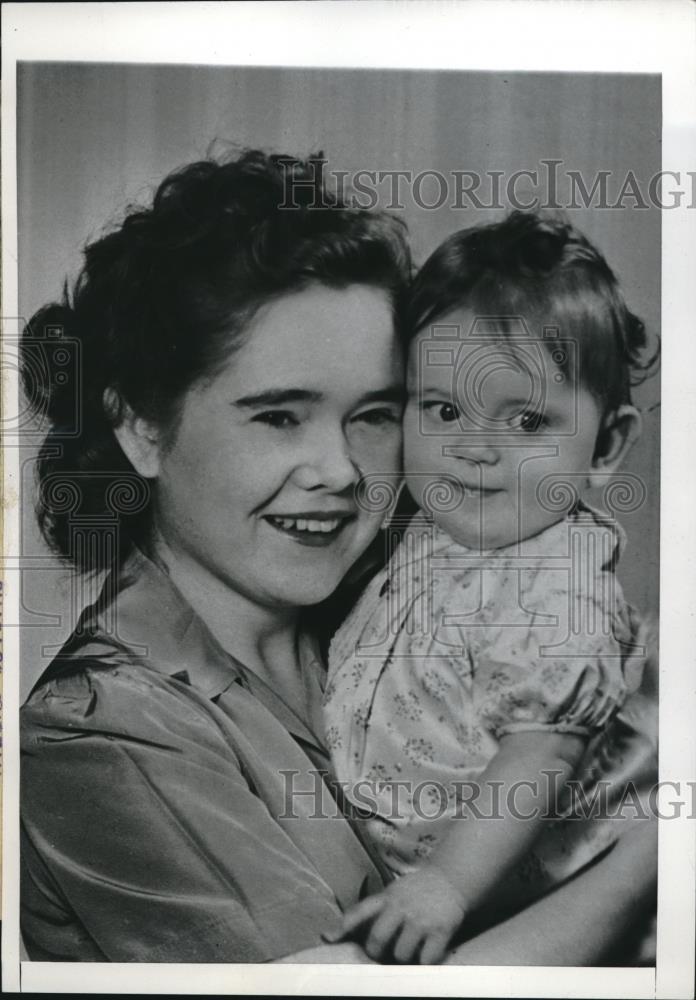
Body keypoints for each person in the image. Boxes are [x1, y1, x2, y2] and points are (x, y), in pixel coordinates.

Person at [20, 153, 657, 964]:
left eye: (376, 415)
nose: (342, 470)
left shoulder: (399, 591)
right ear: (143, 427)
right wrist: (654, 863)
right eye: (281, 417)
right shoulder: (97, 735)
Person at [324, 213, 659, 964]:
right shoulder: (434, 528)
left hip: (502, 897)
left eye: (528, 419)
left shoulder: (556, 587)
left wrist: (446, 886)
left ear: (605, 445)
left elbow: (536, 758)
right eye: (442, 410)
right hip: (414, 874)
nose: (474, 448)